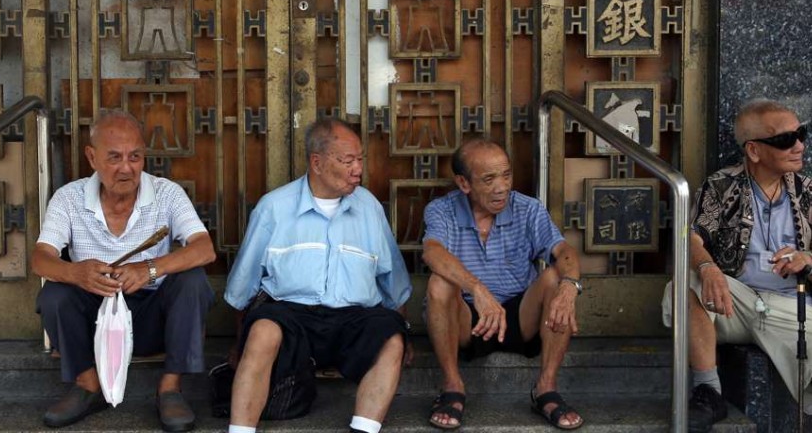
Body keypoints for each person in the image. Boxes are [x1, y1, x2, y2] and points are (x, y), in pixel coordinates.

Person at [223, 118, 412, 433]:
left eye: (360, 159)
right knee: (263, 329)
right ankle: (240, 430)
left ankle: (364, 428)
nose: (358, 169)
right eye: (348, 160)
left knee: (391, 336)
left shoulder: (369, 208)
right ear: (317, 163)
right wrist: (239, 342)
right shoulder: (274, 208)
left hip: (352, 318)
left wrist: (403, 329)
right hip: (291, 315)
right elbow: (243, 285)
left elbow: (393, 283)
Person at [32, 109, 216, 430]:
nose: (127, 168)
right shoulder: (68, 199)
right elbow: (40, 258)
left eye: (135, 156)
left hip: (150, 318)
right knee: (54, 293)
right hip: (94, 323)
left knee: (192, 280)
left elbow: (204, 248)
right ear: (92, 157)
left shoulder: (167, 194)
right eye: (114, 157)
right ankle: (88, 385)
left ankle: (170, 388)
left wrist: (150, 269)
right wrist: (77, 273)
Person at [663, 99, 812, 432]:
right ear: (754, 151)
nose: (799, 146)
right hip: (735, 303)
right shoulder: (721, 186)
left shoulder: (808, 191)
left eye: (801, 134)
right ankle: (709, 391)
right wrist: (708, 268)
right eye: (786, 139)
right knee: (683, 288)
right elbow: (691, 237)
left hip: (793, 305)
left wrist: (808, 258)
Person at [422, 137, 584, 431]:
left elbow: (564, 253)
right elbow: (432, 252)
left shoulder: (528, 209)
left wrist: (570, 286)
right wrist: (478, 289)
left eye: (506, 175)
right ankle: (452, 386)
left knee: (554, 277)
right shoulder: (441, 210)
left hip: (520, 317)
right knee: (439, 283)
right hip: (467, 319)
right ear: (463, 183)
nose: (502, 187)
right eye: (489, 179)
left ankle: (545, 388)